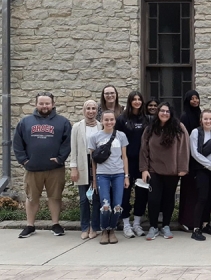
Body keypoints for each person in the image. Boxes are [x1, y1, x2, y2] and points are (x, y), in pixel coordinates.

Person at [13, 92, 72, 238]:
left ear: (53, 104)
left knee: (55, 196)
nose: (44, 106)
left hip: (55, 169)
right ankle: (30, 225)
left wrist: (60, 158)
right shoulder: (25, 122)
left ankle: (55, 224)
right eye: (41, 103)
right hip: (33, 168)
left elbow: (67, 143)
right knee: (32, 197)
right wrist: (24, 160)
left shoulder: (62, 122)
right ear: (36, 104)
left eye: (47, 103)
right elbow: (17, 143)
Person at [140, 102, 190, 241]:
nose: (164, 113)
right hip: (153, 171)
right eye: (162, 111)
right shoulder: (150, 129)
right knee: (154, 200)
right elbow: (144, 150)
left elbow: (184, 148)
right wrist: (144, 169)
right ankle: (153, 227)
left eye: (167, 111)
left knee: (169, 199)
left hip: (172, 171)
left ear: (171, 113)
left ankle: (166, 226)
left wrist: (182, 168)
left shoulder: (179, 127)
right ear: (157, 112)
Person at [89, 110, 130, 245]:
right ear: (102, 121)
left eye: (111, 119)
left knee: (117, 205)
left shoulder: (121, 135)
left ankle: (112, 229)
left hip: (118, 173)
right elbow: (93, 161)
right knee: (105, 205)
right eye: (106, 120)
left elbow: (124, 157)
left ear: (115, 120)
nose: (109, 122)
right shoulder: (95, 137)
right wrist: (94, 180)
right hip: (102, 175)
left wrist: (126, 176)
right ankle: (104, 230)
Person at [115, 91, 151, 238]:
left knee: (142, 194)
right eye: (134, 99)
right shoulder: (122, 119)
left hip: (142, 163)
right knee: (125, 194)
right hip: (126, 163)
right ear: (130, 101)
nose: (137, 102)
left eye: (139, 99)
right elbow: (116, 142)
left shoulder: (147, 119)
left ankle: (137, 223)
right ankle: (126, 225)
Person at [189, 109, 211, 241]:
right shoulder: (196, 132)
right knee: (202, 198)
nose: (208, 121)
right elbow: (194, 153)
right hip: (201, 169)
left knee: (209, 198)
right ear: (201, 120)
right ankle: (196, 229)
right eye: (206, 119)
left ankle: (205, 224)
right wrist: (208, 164)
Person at [69, 100, 102, 240]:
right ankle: (84, 227)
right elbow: (74, 149)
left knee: (96, 198)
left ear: (97, 110)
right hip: (83, 164)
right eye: (88, 108)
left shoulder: (101, 126)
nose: (91, 111)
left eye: (93, 108)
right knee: (83, 199)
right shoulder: (77, 127)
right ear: (84, 110)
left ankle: (94, 227)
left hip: (97, 165)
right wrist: (73, 168)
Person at [178, 90, 202, 232]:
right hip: (188, 158)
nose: (195, 101)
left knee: (198, 192)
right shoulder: (184, 116)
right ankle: (185, 220)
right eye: (192, 98)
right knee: (188, 191)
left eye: (196, 98)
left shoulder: (200, 114)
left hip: (200, 158)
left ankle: (196, 220)